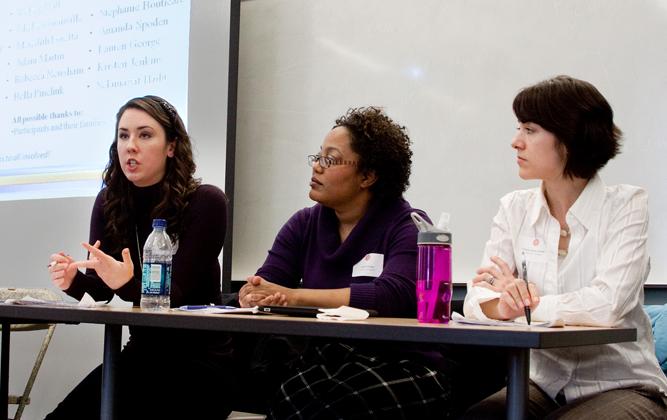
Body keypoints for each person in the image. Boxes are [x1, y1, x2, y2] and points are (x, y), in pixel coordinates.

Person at [463, 75, 667, 419]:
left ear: (570, 137)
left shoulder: (626, 205)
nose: (515, 142)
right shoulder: (514, 208)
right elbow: (476, 300)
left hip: (624, 384)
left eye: (530, 130)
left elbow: (608, 305)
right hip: (541, 384)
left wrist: (527, 305)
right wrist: (503, 304)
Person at [237, 107, 455, 419]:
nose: (316, 166)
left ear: (368, 176)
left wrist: (295, 296)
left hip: (403, 364)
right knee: (287, 402)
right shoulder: (303, 224)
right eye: (317, 156)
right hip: (329, 362)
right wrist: (252, 294)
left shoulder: (407, 225)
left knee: (332, 407)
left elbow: (389, 296)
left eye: (330, 159)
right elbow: (265, 281)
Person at [46, 95, 233, 419]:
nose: (130, 146)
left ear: (171, 146)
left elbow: (173, 296)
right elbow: (102, 291)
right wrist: (72, 280)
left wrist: (126, 283)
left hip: (200, 362)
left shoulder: (206, 202)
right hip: (141, 355)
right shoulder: (110, 203)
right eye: (123, 135)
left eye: (144, 135)